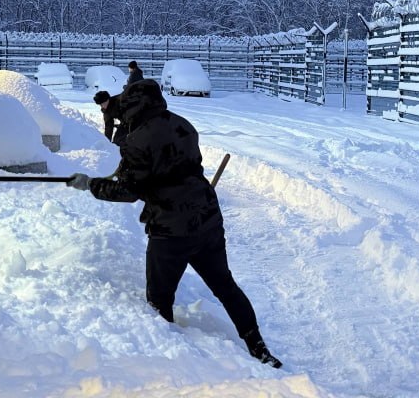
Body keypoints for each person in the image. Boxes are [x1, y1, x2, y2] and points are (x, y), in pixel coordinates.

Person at [66, 79, 281, 368]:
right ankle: (258, 347)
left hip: (170, 230)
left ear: (134, 106)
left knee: (159, 298)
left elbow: (129, 191)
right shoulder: (183, 125)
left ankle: (172, 362)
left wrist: (91, 184)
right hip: (207, 218)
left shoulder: (136, 141)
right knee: (225, 286)